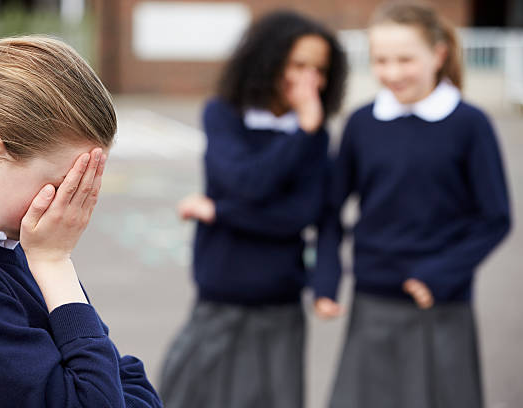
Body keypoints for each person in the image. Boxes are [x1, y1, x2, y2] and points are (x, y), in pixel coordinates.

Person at [0, 38, 162, 407]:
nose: (70, 206)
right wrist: (54, 263)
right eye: (63, 185)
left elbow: (122, 379)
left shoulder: (7, 238)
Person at [313, 3, 511, 408]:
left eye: (405, 59)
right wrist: (326, 279)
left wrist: (440, 274)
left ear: (438, 55)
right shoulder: (361, 123)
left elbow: (495, 218)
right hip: (372, 303)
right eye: (381, 60)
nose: (392, 72)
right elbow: (330, 209)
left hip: (441, 306)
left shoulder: (469, 124)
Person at [159, 10, 346, 408]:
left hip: (280, 301)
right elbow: (248, 183)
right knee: (187, 394)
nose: (310, 80)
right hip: (220, 294)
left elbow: (302, 215)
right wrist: (303, 131)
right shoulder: (224, 115)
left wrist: (221, 211)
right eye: (298, 65)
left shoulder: (315, 133)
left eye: (320, 69)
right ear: (267, 61)